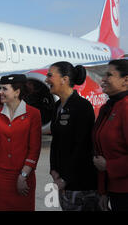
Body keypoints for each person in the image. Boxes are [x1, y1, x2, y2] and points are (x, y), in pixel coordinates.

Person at [46, 61, 99, 211]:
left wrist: (65, 178)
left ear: (65, 79)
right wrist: (54, 170)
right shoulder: (57, 107)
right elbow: (55, 141)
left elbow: (82, 147)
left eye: (50, 76)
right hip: (63, 182)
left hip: (81, 184)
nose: (46, 80)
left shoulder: (82, 106)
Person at [0, 74, 42, 211]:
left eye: (4, 89)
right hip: (0, 179)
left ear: (17, 92)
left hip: (23, 177)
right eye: (0, 89)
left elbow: (34, 149)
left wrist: (23, 176)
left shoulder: (33, 114)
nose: (0, 92)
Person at [93, 59, 128, 211]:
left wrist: (109, 166)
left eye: (109, 75)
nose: (103, 79)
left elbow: (105, 162)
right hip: (114, 190)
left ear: (125, 80)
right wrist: (103, 192)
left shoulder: (126, 107)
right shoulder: (108, 108)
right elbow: (102, 152)